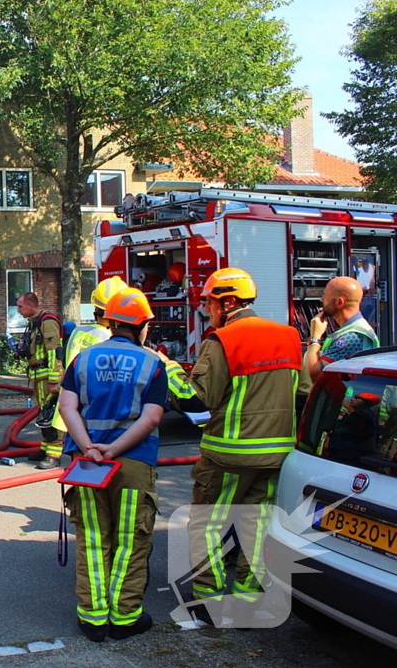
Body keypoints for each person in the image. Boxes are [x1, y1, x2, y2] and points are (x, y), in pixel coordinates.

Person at [184, 268, 302, 625]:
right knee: (257, 526)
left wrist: (170, 371)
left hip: (229, 454)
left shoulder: (223, 340)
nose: (207, 309)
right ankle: (250, 598)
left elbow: (198, 401)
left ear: (229, 302)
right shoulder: (290, 336)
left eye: (209, 302)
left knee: (208, 524)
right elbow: (306, 393)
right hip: (278, 455)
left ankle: (208, 600)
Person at [57, 287, 167, 642]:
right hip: (132, 461)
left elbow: (67, 408)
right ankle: (124, 618)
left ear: (111, 323)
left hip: (87, 465)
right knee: (130, 542)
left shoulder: (83, 359)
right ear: (143, 326)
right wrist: (114, 448)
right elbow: (150, 419)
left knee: (92, 538)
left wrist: (89, 448)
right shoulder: (153, 363)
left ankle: (92, 618)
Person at [48, 275, 128, 457]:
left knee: (79, 451)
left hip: (73, 396)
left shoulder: (78, 331)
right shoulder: (114, 339)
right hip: (101, 404)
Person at [15, 291, 64, 468]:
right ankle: (45, 448)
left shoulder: (47, 322)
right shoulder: (35, 323)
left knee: (50, 415)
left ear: (30, 305)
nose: (18, 310)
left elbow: (54, 351)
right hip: (37, 376)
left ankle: (53, 455)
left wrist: (54, 379)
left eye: (20, 306)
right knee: (43, 414)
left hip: (46, 377)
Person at [304, 275, 380, 381]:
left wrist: (314, 338)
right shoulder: (351, 330)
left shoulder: (352, 337)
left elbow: (314, 374)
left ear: (339, 302)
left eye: (325, 296)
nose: (322, 299)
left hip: (347, 397)